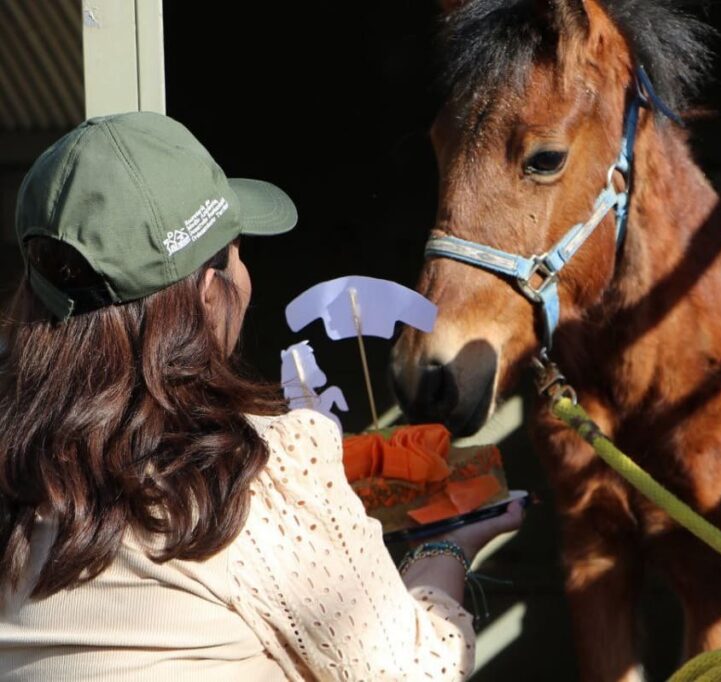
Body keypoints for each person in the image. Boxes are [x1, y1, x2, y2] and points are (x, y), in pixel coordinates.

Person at [0, 111, 522, 681]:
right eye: (237, 251)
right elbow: (419, 672)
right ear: (206, 291)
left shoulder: (18, 483)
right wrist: (444, 547)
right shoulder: (251, 480)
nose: (246, 277)